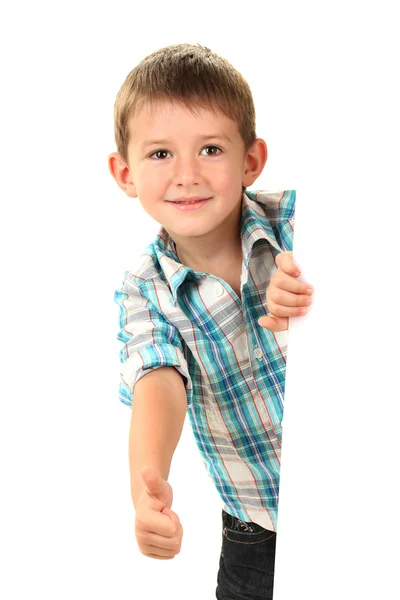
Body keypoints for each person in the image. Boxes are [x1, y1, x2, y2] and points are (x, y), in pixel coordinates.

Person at [108, 43, 314, 600]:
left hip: (361, 497)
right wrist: (146, 485)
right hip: (255, 534)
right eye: (160, 155)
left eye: (210, 149)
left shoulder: (303, 224)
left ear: (250, 160)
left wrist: (316, 291)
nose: (187, 175)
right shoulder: (144, 289)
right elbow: (158, 380)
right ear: (124, 173)